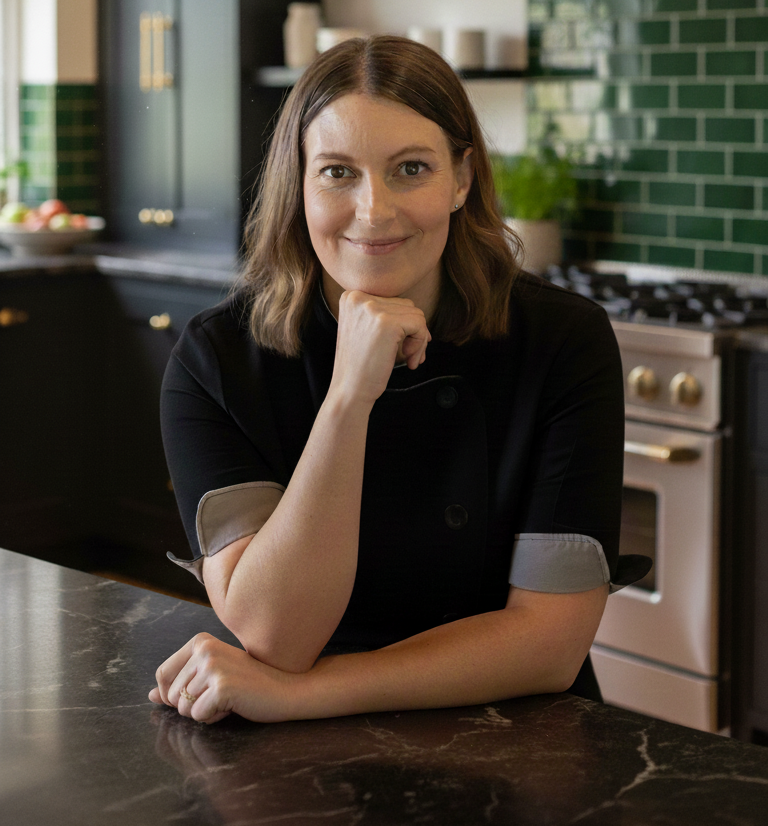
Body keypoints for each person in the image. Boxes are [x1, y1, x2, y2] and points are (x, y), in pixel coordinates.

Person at [150, 36, 646, 726]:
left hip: (516, 744)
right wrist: (349, 397)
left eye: (410, 168)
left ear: (461, 179)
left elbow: (550, 644)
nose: (374, 210)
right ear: (297, 182)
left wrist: (302, 694)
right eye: (336, 173)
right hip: (293, 770)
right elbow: (276, 632)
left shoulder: (562, 340)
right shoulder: (217, 361)